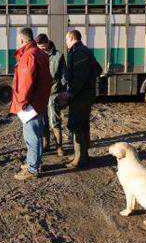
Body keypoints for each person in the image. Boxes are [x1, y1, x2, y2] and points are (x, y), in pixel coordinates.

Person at [10, 27, 52, 180]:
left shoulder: (28, 56)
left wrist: (21, 103)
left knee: (32, 136)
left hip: (31, 105)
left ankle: (33, 169)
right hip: (39, 102)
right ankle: (33, 162)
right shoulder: (40, 53)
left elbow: (25, 84)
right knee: (36, 135)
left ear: (21, 40)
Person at [62, 30, 102, 168]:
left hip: (80, 96)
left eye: (66, 39)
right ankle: (84, 156)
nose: (66, 42)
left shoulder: (78, 52)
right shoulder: (85, 50)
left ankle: (79, 159)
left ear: (72, 38)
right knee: (83, 124)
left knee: (75, 125)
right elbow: (99, 69)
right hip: (87, 95)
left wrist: (70, 93)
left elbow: (79, 77)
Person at [35, 34, 67, 157]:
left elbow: (63, 76)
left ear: (48, 43)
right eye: (39, 47)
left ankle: (59, 147)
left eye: (43, 47)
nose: (41, 49)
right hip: (40, 94)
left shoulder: (58, 56)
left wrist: (64, 93)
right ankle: (46, 144)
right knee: (43, 121)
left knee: (55, 120)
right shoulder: (36, 55)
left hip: (53, 93)